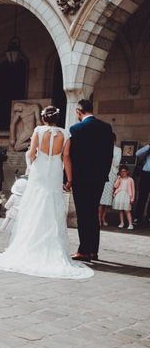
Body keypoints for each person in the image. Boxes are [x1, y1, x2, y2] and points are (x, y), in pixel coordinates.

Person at [0, 106, 94, 279]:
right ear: (57, 118)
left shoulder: (39, 130)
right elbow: (66, 158)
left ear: (44, 118)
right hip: (55, 171)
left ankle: (29, 243)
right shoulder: (65, 134)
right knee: (52, 203)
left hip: (39, 171)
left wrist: (31, 165)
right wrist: (70, 179)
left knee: (35, 203)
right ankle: (52, 245)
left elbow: (32, 152)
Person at [68, 99, 114, 262]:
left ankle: (84, 251)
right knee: (93, 213)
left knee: (83, 214)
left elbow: (71, 156)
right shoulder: (106, 128)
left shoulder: (76, 129)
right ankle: (93, 251)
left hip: (81, 179)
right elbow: (109, 155)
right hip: (99, 178)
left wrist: (69, 178)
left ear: (79, 111)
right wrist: (104, 174)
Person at [98, 133, 121, 226]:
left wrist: (109, 155)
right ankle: (98, 218)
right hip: (101, 174)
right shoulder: (101, 148)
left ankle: (104, 217)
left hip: (111, 174)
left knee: (107, 200)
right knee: (100, 199)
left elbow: (116, 163)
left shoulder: (118, 150)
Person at [113, 165, 135, 230]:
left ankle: (130, 224)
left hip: (127, 196)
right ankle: (122, 223)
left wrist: (132, 198)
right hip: (119, 195)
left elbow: (133, 189)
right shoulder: (120, 179)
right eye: (121, 172)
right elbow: (115, 186)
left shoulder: (130, 179)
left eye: (124, 171)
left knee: (127, 210)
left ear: (127, 172)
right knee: (121, 210)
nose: (123, 173)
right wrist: (118, 178)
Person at [133, 143, 150, 227]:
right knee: (142, 197)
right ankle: (137, 217)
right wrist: (149, 145)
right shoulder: (148, 149)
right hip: (146, 174)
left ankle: (149, 217)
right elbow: (137, 153)